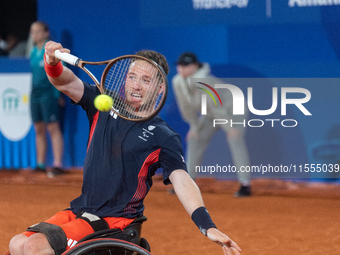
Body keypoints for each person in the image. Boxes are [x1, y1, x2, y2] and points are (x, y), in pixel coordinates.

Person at [7, 42, 242, 255]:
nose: (136, 85)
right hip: (81, 210)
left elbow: (182, 180)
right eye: (132, 76)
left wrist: (207, 225)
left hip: (115, 222)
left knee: (34, 248)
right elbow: (65, 81)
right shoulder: (101, 102)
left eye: (145, 80)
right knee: (17, 244)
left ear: (160, 88)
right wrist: (51, 61)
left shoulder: (163, 135)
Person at [172, 52, 252, 197]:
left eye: (186, 65)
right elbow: (185, 107)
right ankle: (187, 183)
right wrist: (194, 127)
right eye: (180, 65)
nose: (182, 68)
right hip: (211, 113)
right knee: (195, 138)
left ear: (195, 66)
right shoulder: (177, 81)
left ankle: (245, 184)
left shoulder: (205, 81)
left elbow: (216, 107)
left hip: (233, 109)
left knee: (234, 139)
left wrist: (230, 127)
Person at [29, 22, 65, 177]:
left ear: (46, 33)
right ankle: (41, 164)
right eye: (32, 32)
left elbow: (59, 72)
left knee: (53, 128)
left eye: (37, 31)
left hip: (49, 95)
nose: (34, 35)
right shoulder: (33, 52)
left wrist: (58, 95)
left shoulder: (50, 51)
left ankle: (57, 165)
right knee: (38, 128)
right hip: (35, 95)